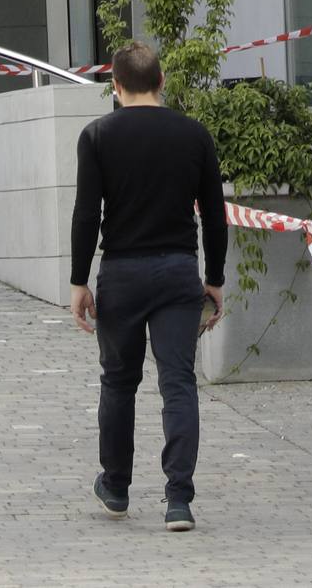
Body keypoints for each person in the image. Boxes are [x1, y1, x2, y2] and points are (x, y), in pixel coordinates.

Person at [69, 42, 226, 533]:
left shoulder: (96, 136)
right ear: (161, 82)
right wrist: (214, 280)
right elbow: (216, 217)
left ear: (114, 88)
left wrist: (79, 281)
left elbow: (86, 213)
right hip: (179, 271)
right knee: (178, 382)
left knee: (119, 381)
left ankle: (115, 486)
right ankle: (178, 499)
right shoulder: (194, 135)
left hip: (122, 274)